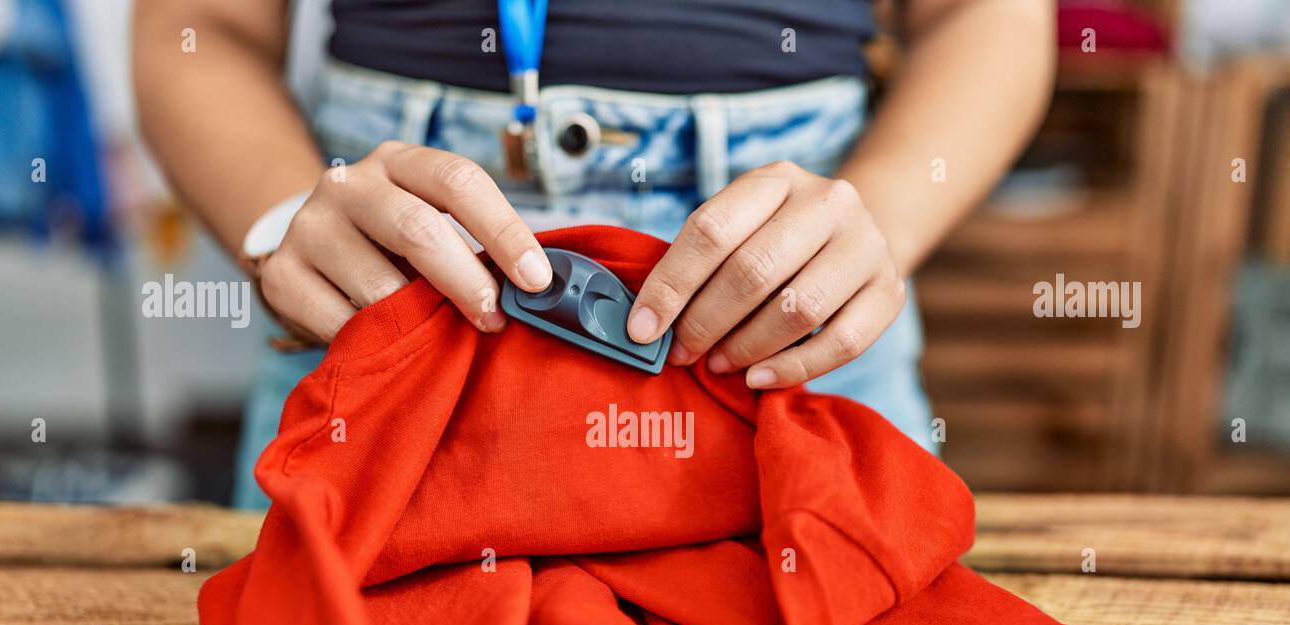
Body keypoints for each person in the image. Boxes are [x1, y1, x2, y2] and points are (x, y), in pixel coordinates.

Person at [133, 0, 1056, 510]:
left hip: (790, 309)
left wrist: (880, 222)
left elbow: (990, 16)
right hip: (392, 287)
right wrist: (282, 220)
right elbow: (197, 29)